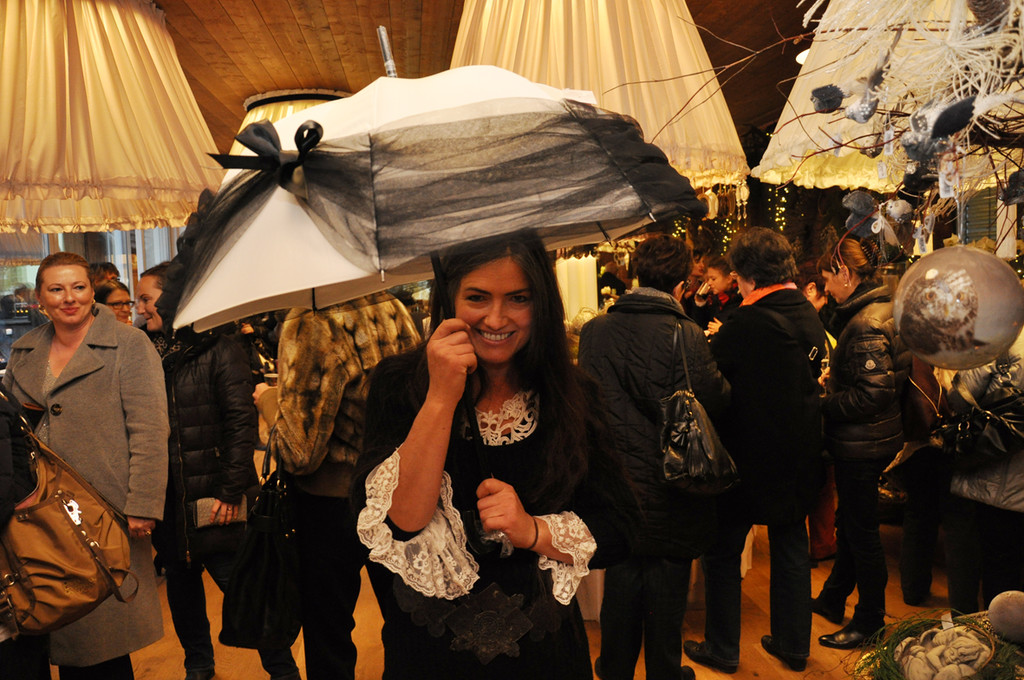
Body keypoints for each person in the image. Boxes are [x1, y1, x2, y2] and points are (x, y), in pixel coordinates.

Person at [351, 230, 635, 679]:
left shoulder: (572, 394)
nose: (496, 318)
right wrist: (441, 397)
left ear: (541, 303)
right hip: (430, 659)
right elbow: (397, 522)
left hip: (545, 657)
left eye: (518, 298)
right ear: (449, 299)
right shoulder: (399, 384)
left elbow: (621, 528)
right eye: (477, 297)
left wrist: (533, 530)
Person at [2, 252, 168, 679]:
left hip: (106, 510)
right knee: (45, 618)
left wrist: (143, 503)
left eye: (78, 287)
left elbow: (150, 429)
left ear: (92, 291)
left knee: (100, 646)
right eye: (56, 289)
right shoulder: (24, 350)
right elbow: (9, 429)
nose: (69, 298)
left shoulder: (129, 345)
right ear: (40, 298)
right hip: (39, 514)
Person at [136, 264, 301, 680]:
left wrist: (230, 491)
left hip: (215, 499)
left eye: (146, 299)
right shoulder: (142, 352)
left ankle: (283, 672)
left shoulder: (219, 347)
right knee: (182, 587)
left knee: (244, 590)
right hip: (167, 501)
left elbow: (240, 424)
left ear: (172, 299)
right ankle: (198, 666)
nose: (139, 308)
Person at [579, 234, 730, 680]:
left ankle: (614, 669)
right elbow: (714, 397)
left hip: (618, 479)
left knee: (621, 577)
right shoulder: (686, 334)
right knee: (667, 588)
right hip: (672, 480)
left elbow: (585, 402)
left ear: (635, 275)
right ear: (682, 283)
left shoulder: (596, 330)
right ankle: (665, 672)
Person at [254, 293, 420, 680]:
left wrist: (269, 399)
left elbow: (299, 453)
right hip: (398, 490)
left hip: (332, 502)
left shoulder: (310, 320)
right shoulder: (390, 305)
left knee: (329, 635)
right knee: (408, 624)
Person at [684, 227, 827, 674]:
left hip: (746, 456)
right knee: (791, 546)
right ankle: (793, 645)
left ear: (746, 275)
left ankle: (723, 647)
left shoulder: (747, 322)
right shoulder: (806, 312)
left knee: (723, 550)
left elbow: (711, 382)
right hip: (800, 451)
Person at [812, 237, 910, 649]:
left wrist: (824, 402)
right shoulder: (880, 308)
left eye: (827, 278)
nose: (826, 288)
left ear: (846, 274)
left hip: (863, 443)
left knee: (862, 533)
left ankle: (869, 620)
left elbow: (873, 394)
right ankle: (834, 597)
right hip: (873, 437)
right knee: (851, 523)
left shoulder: (866, 322)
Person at [948, 327, 1024, 608]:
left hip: (996, 481)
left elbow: (958, 398)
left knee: (992, 567)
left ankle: (986, 631)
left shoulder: (1000, 339)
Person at [795, 260, 838, 564]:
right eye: (824, 295)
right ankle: (821, 545)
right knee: (822, 484)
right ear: (811, 289)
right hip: (813, 417)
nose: (826, 303)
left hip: (797, 420)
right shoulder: (808, 324)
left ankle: (813, 545)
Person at [691, 253, 741, 336]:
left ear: (729, 279)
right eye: (708, 279)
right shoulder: (715, 300)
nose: (709, 283)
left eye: (713, 279)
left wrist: (723, 329)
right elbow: (700, 327)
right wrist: (700, 305)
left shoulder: (740, 300)